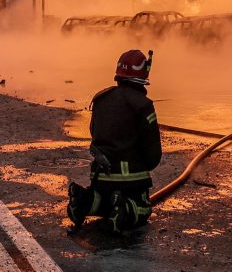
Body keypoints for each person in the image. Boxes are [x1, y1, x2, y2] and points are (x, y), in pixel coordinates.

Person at [67, 49, 162, 233]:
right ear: (143, 74)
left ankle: (83, 201)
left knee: (102, 203)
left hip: (101, 179)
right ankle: (125, 208)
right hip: (132, 181)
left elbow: (94, 133)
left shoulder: (101, 99)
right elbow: (153, 155)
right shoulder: (143, 105)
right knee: (143, 208)